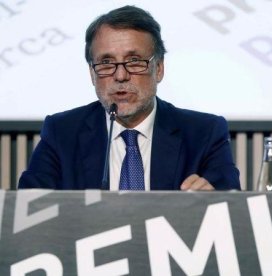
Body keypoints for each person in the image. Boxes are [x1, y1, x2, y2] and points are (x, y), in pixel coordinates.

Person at [18, 5, 240, 191]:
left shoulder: (204, 133)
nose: (121, 75)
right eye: (106, 63)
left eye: (134, 61)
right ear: (92, 74)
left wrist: (214, 202)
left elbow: (234, 212)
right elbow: (28, 209)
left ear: (159, 68)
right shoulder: (62, 132)